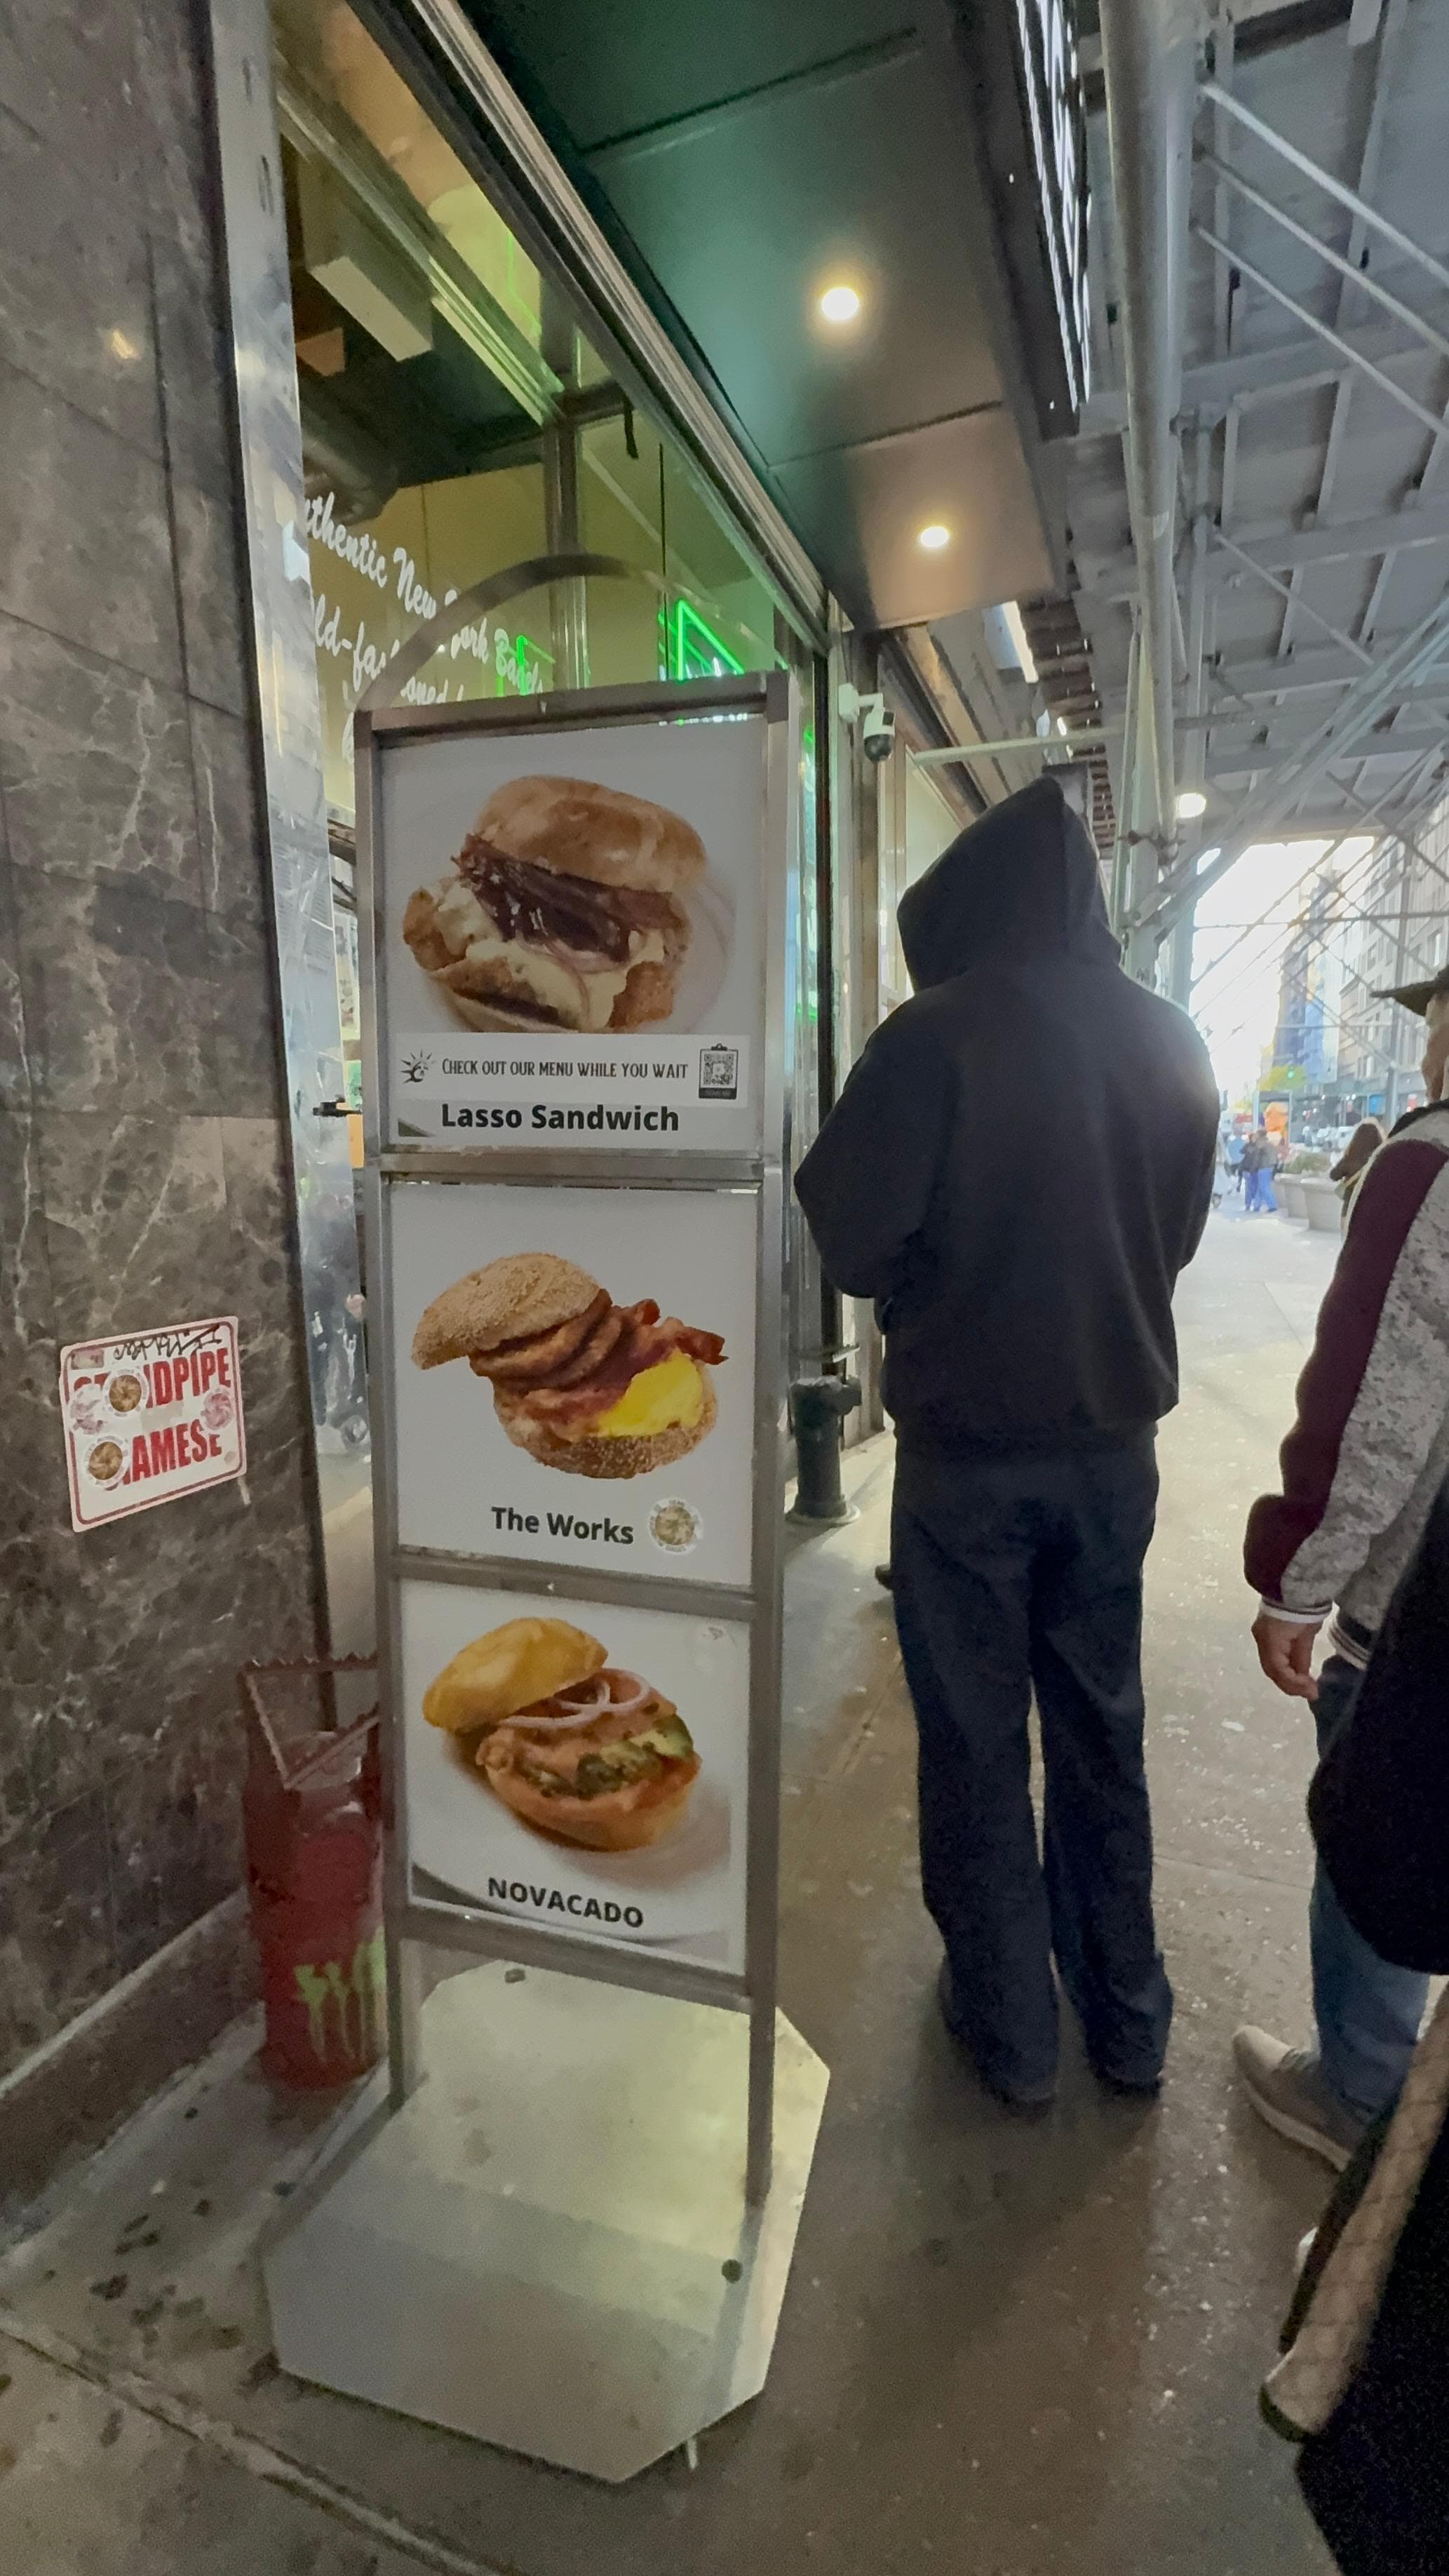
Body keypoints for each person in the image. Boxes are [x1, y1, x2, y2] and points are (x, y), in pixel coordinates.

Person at [795, 774, 1220, 2108]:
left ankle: (1010, 2029)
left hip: (967, 1466)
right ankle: (1128, 2016)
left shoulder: (932, 1037)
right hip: (1113, 1451)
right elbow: (1175, 1237)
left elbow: (854, 1240)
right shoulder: (1173, 1039)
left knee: (977, 1743)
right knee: (1103, 1726)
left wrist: (945, 1277)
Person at [1235, 963, 1449, 2168]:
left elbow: (1375, 1399)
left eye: (1434, 1017)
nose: (1424, 1045)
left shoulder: (1425, 1166)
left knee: (1383, 1818)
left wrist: (1297, 1580)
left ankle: (1360, 2092)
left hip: (1418, 1599)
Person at [1330, 1118, 1384, 1233]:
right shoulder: (1383, 1160)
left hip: (1350, 1210)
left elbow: (1334, 1175)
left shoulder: (1350, 1159)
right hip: (1375, 1211)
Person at [1244, 1127, 1279, 1214]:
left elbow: (1256, 1157)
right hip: (1270, 1167)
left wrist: (1253, 1168)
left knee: (1264, 1187)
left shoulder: (1260, 1144)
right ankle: (1257, 1206)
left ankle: (1273, 1205)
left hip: (1263, 1167)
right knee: (1260, 1188)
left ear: (1259, 1135)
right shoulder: (1270, 1144)